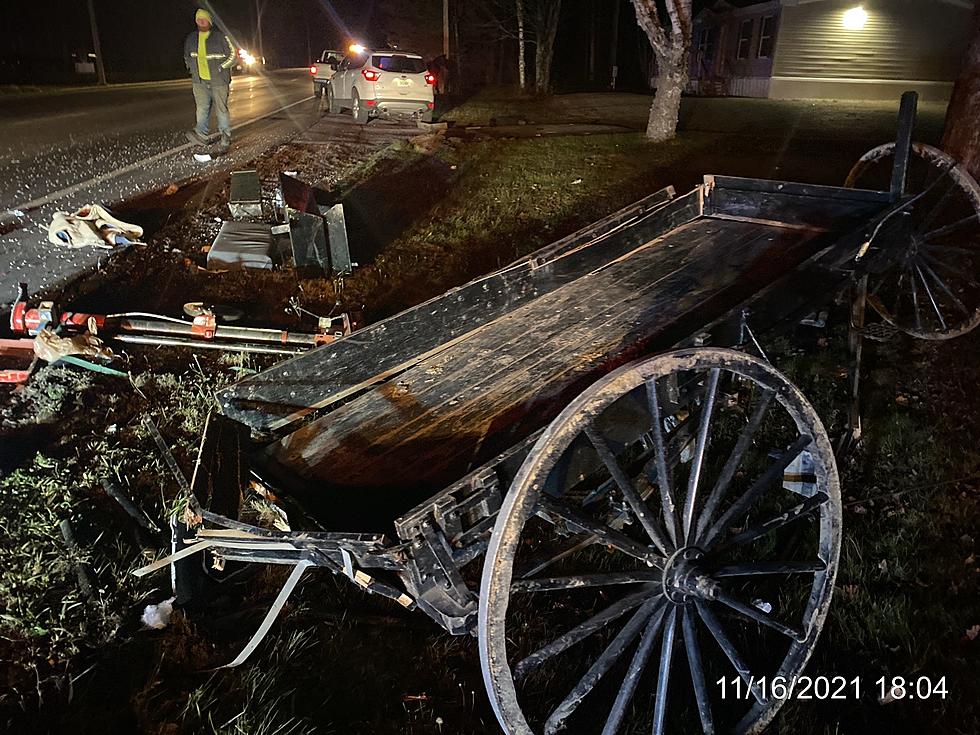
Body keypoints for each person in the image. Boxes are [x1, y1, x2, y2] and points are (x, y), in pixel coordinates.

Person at [183, 8, 237, 154]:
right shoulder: (191, 38)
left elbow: (233, 56)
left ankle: (225, 136)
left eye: (204, 18)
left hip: (219, 81)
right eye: (198, 19)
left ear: (209, 21)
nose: (201, 21)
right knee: (201, 108)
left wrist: (221, 67)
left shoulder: (220, 37)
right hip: (199, 81)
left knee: (221, 109)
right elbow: (187, 56)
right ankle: (201, 133)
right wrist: (191, 69)